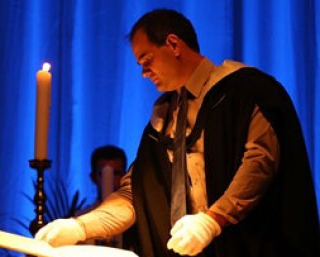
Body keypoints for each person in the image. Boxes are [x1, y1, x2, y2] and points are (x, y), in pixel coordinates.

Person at [35, 9, 320, 257]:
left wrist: (212, 220)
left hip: (249, 246)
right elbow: (135, 193)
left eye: (146, 59)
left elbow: (260, 163)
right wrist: (80, 226)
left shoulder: (245, 91)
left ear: (173, 44)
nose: (144, 73)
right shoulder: (164, 117)